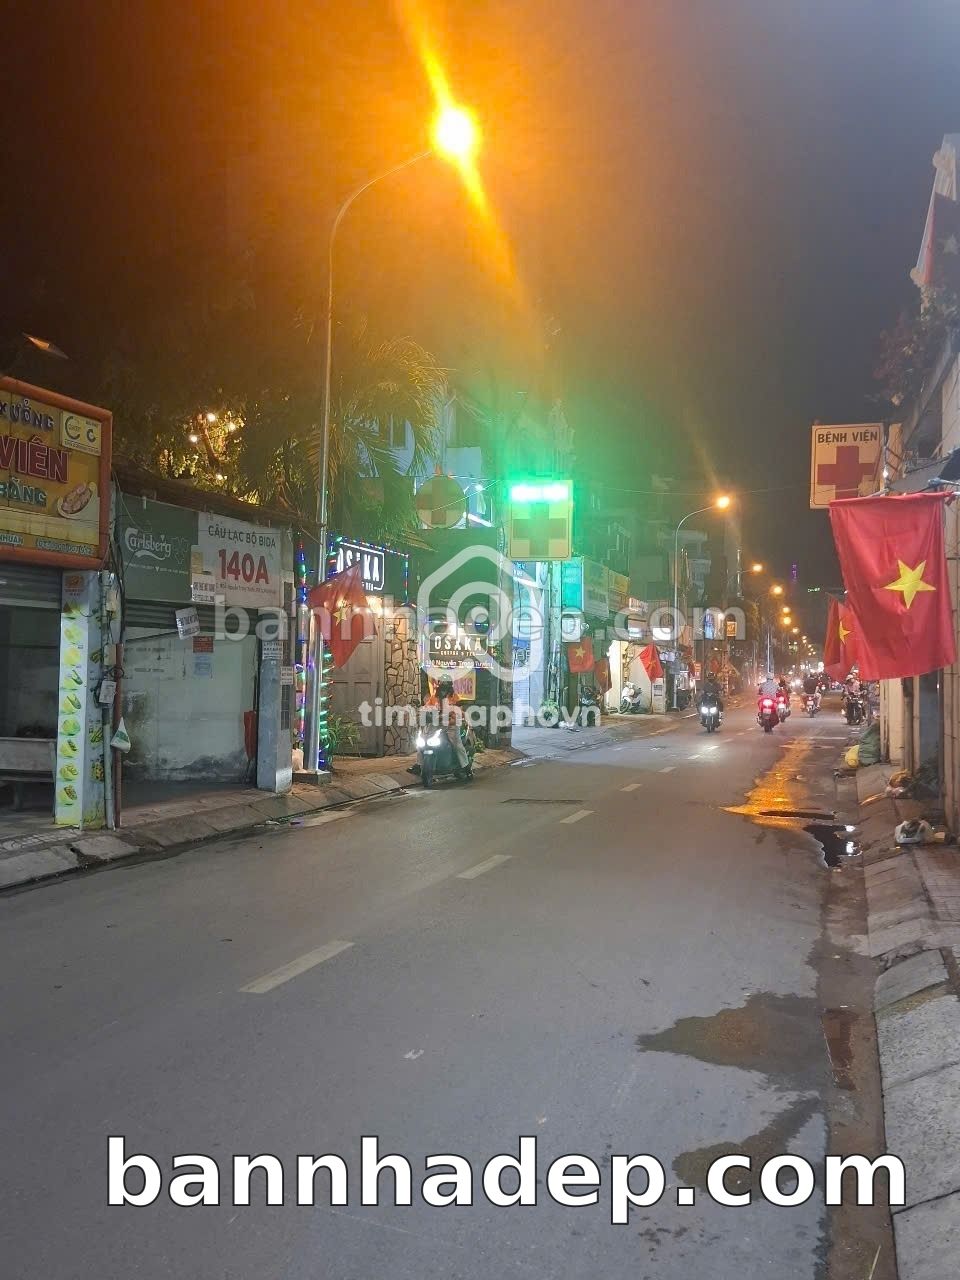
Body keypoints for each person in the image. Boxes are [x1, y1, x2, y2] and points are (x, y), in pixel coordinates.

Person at [415, 675, 470, 777]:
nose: (442, 685)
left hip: (451, 724)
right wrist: (422, 710)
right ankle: (419, 765)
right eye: (441, 683)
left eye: (445, 683)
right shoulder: (434, 697)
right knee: (422, 740)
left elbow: (459, 709)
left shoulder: (454, 697)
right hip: (438, 724)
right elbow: (427, 707)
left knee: (457, 744)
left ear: (449, 684)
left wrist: (454, 714)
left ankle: (466, 768)